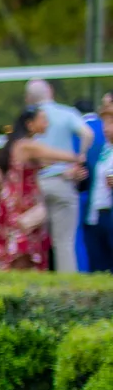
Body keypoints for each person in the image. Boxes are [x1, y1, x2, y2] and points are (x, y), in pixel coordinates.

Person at [0, 108, 80, 272]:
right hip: (24, 204)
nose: (47, 123)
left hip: (11, 203)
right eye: (43, 119)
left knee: (17, 250)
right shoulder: (27, 146)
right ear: (30, 124)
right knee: (24, 251)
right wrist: (79, 155)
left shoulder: (11, 145)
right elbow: (54, 155)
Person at [26, 78, 92, 272]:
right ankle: (66, 292)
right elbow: (87, 134)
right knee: (64, 242)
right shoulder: (66, 113)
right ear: (51, 91)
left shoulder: (27, 120)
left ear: (29, 97)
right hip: (62, 181)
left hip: (34, 184)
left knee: (32, 240)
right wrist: (79, 159)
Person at [84, 92, 113, 273]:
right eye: (105, 122)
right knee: (99, 269)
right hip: (96, 215)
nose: (106, 127)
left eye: (111, 122)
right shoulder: (100, 149)